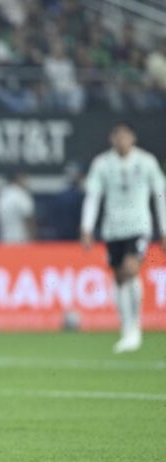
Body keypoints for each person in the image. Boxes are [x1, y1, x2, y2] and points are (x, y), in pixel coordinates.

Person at [80, 124, 166, 353]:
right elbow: (93, 196)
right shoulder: (102, 164)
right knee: (119, 278)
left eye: (125, 136)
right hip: (113, 228)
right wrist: (87, 227)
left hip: (139, 225)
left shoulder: (146, 162)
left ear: (133, 138)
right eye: (117, 137)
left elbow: (160, 194)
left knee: (130, 269)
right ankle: (126, 328)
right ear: (112, 139)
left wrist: (164, 228)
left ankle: (135, 328)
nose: (121, 140)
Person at [0, 171, 35, 244]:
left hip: (5, 241)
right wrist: (33, 240)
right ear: (18, 177)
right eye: (25, 177)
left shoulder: (2, 194)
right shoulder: (21, 194)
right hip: (21, 242)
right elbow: (28, 220)